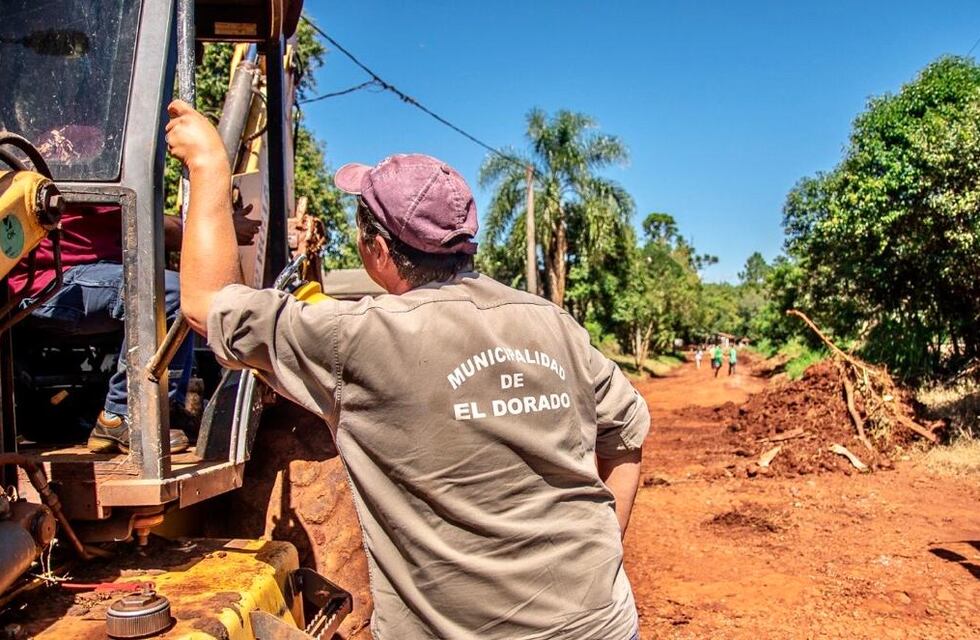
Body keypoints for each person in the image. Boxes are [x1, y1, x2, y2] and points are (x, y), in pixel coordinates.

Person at [166, 100, 649, 640]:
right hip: (604, 623)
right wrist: (604, 559)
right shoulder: (553, 324)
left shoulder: (355, 338)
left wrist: (208, 162)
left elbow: (205, 302)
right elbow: (627, 434)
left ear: (376, 249)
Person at [9, 192, 260, 454]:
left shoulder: (86, 160)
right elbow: (152, 226)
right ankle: (122, 414)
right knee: (168, 292)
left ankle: (164, 409)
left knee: (173, 292)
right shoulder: (75, 162)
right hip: (48, 284)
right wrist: (224, 230)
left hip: (85, 274)